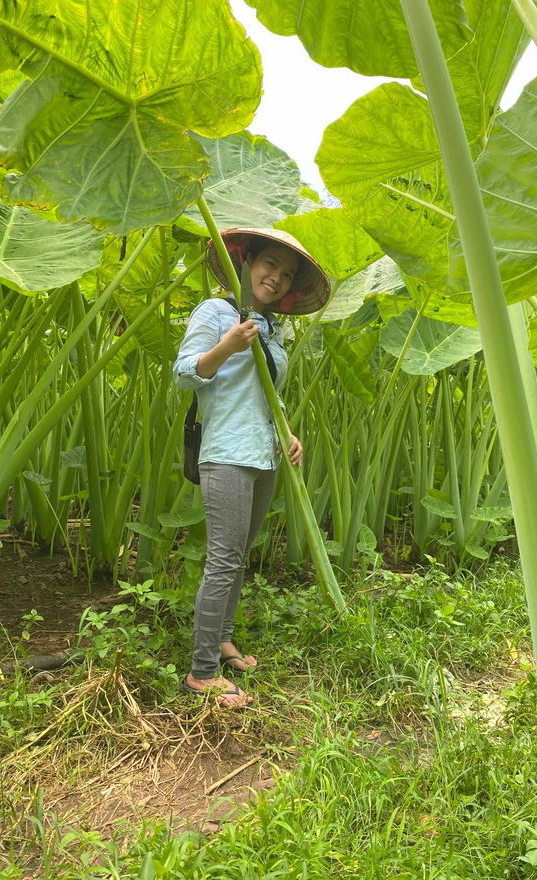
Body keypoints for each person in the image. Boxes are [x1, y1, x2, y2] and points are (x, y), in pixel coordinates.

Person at [173, 228, 331, 707]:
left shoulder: (272, 328)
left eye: (286, 275)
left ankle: (222, 639)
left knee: (239, 554)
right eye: (270, 265)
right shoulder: (217, 313)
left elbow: (267, 393)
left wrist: (287, 431)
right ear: (246, 262)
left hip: (264, 454)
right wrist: (227, 345)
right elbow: (184, 374)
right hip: (225, 452)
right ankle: (201, 671)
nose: (277, 278)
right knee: (223, 558)